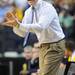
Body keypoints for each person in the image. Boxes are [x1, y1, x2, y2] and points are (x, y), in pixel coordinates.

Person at [4, 0, 66, 75]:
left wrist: (19, 25)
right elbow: (23, 33)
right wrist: (15, 26)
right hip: (43, 46)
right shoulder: (28, 12)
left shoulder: (47, 7)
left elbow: (41, 27)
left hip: (55, 45)